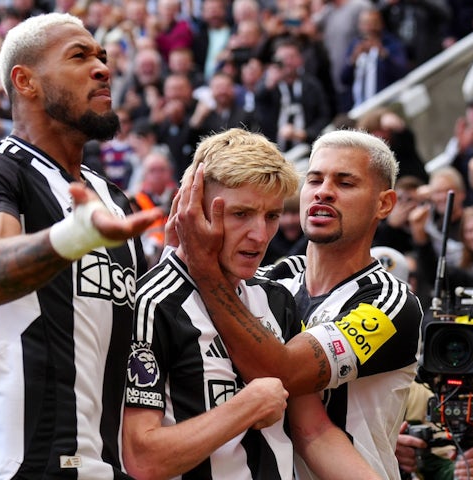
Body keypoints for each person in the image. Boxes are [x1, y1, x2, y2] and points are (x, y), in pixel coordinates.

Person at [0, 13, 162, 480]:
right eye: (79, 57)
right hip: (17, 464)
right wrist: (76, 236)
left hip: (104, 466)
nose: (103, 68)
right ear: (26, 81)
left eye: (102, 56)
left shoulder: (112, 199)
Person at [123, 128, 382, 479]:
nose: (260, 236)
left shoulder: (275, 298)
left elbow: (314, 432)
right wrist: (245, 407)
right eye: (241, 214)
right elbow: (143, 458)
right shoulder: (150, 303)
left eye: (271, 216)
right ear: (191, 208)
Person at [175, 128, 423, 479]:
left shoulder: (390, 302)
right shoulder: (269, 279)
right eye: (315, 179)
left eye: (345, 183)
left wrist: (204, 271)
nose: (324, 191)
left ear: (384, 204)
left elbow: (286, 375)